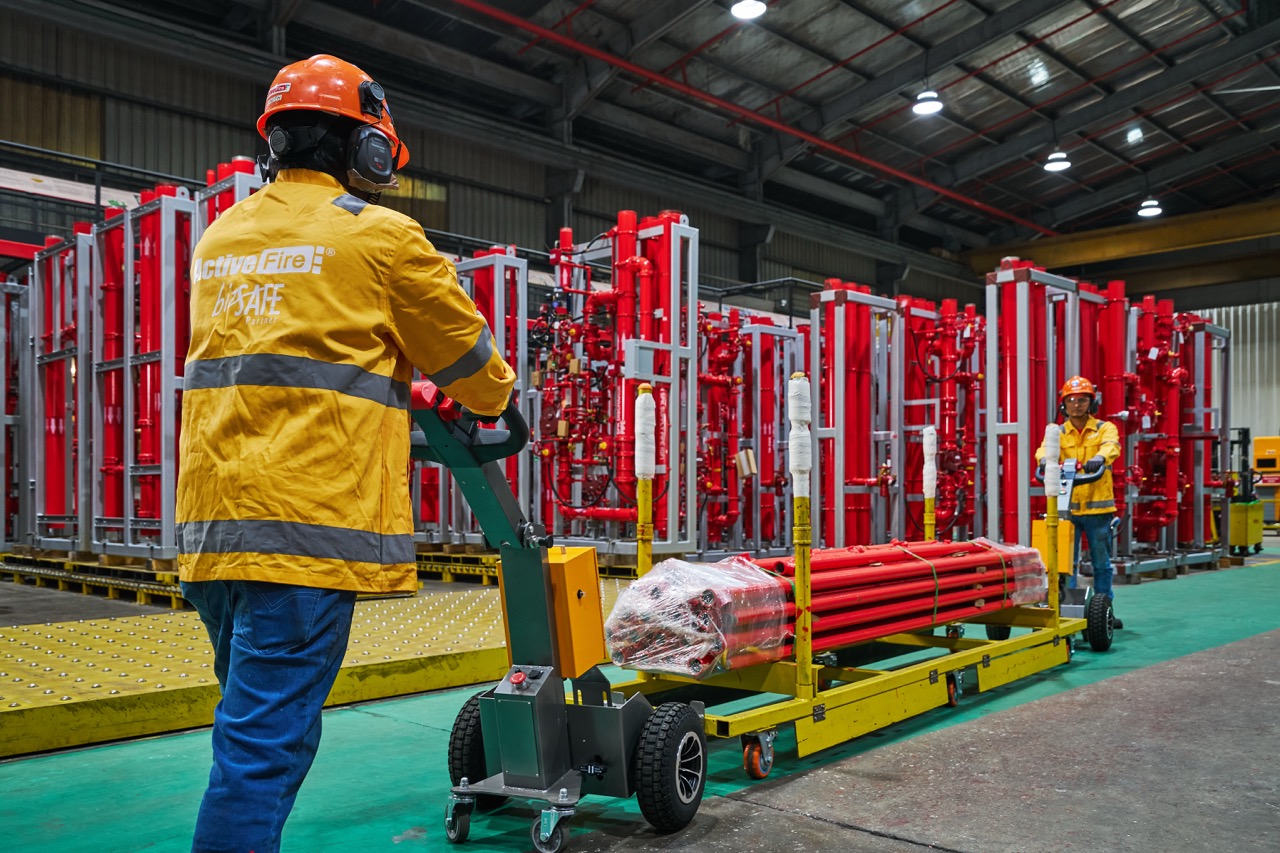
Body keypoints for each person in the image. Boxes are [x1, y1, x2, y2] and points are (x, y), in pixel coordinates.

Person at [176, 54, 516, 853]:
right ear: (364, 148)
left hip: (211, 539)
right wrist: (493, 399)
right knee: (261, 753)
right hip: (301, 537)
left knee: (252, 728)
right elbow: (478, 373)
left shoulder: (222, 234)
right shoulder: (381, 238)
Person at [1036, 375, 1124, 628]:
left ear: (1091, 403)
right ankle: (1067, 609)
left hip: (1099, 508)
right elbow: (1043, 449)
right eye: (1072, 400)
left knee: (1101, 563)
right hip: (1068, 509)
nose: (1077, 405)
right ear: (1064, 404)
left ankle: (1105, 609)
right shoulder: (1058, 432)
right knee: (1065, 562)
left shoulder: (1104, 428)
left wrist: (1100, 457)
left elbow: (1112, 446)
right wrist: (1043, 460)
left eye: (1082, 400)